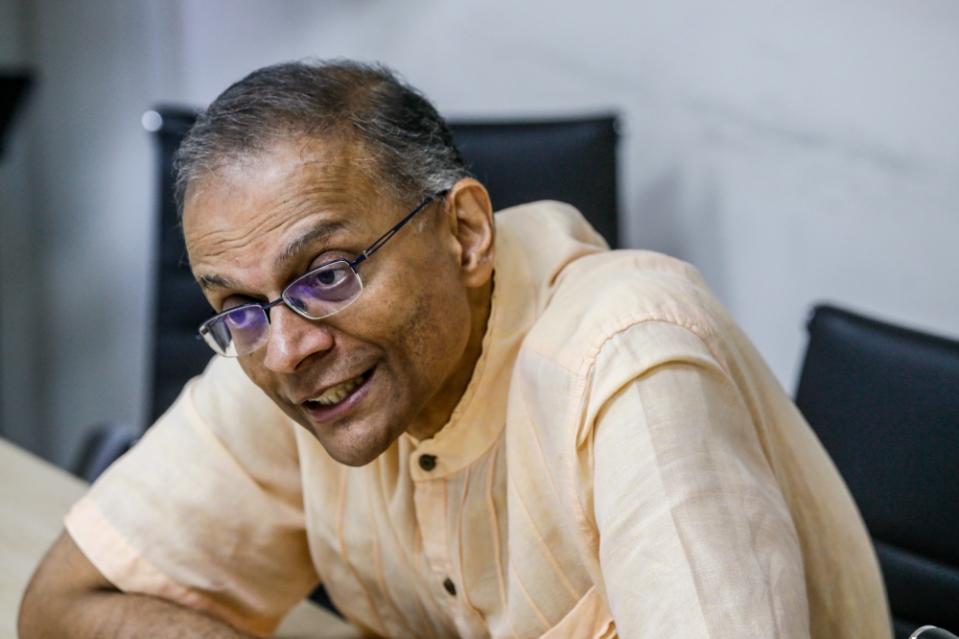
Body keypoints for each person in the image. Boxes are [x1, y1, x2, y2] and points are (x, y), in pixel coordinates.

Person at [19, 60, 891, 639]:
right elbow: (61, 605)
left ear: (466, 233)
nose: (284, 349)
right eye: (237, 305)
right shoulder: (282, 360)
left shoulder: (627, 366)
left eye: (326, 272)